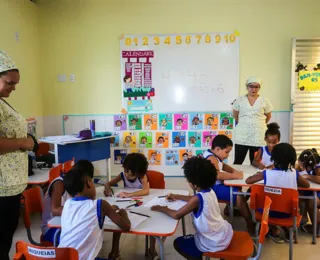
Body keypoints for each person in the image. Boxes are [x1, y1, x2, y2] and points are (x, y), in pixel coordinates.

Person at [151, 157, 233, 260]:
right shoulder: (210, 191)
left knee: (178, 243)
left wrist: (161, 208)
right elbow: (194, 199)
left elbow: (176, 215)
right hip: (223, 234)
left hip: (212, 242)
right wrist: (177, 196)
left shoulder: (197, 198)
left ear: (194, 185)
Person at [0, 50, 36, 260]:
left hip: (10, 186)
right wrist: (24, 142)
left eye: (16, 84)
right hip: (2, 188)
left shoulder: (2, 101)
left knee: (5, 239)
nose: (13, 88)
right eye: (10, 83)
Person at [58, 161, 131, 260]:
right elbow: (126, 227)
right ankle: (115, 253)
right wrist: (123, 213)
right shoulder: (101, 205)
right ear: (89, 182)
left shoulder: (67, 204)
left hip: (62, 257)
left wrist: (109, 209)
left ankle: (114, 252)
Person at [246, 143, 310, 242]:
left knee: (265, 204)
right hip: (289, 213)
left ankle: (274, 230)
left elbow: (248, 181)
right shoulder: (294, 174)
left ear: (273, 158)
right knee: (288, 204)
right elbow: (307, 185)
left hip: (267, 213)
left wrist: (259, 174)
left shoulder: (266, 173)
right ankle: (288, 230)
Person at [104, 153, 158, 259]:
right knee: (118, 220)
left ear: (137, 173)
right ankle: (115, 251)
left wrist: (129, 194)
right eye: (125, 171)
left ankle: (152, 249)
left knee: (153, 221)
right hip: (127, 205)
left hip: (142, 204)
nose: (126, 175)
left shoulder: (142, 176)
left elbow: (146, 190)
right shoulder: (122, 175)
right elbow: (108, 184)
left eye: (129, 173)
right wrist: (108, 189)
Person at [203, 135, 255, 235]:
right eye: (227, 152)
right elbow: (217, 175)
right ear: (217, 149)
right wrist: (234, 175)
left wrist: (234, 171)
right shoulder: (211, 158)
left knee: (237, 187)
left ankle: (229, 209)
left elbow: (224, 166)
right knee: (239, 195)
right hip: (212, 188)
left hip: (215, 186)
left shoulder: (214, 156)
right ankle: (250, 224)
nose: (228, 155)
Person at [41, 160, 92, 243]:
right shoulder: (59, 184)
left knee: (88, 231)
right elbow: (55, 210)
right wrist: (80, 210)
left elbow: (87, 200)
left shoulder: (75, 183)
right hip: (51, 228)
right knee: (78, 240)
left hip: (65, 223)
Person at [232, 77, 273, 165]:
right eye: (251, 86)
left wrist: (260, 124)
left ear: (259, 88)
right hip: (242, 136)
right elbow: (235, 115)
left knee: (255, 162)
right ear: (247, 87)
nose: (254, 89)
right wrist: (244, 123)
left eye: (256, 86)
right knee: (238, 161)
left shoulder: (264, 101)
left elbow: (268, 116)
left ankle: (255, 178)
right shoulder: (239, 100)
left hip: (258, 136)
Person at [296, 149, 320, 234]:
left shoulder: (317, 167)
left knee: (312, 200)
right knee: (301, 195)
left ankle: (316, 228)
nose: (301, 167)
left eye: (303, 166)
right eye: (300, 163)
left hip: (317, 193)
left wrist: (308, 176)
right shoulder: (301, 165)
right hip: (311, 191)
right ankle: (303, 218)